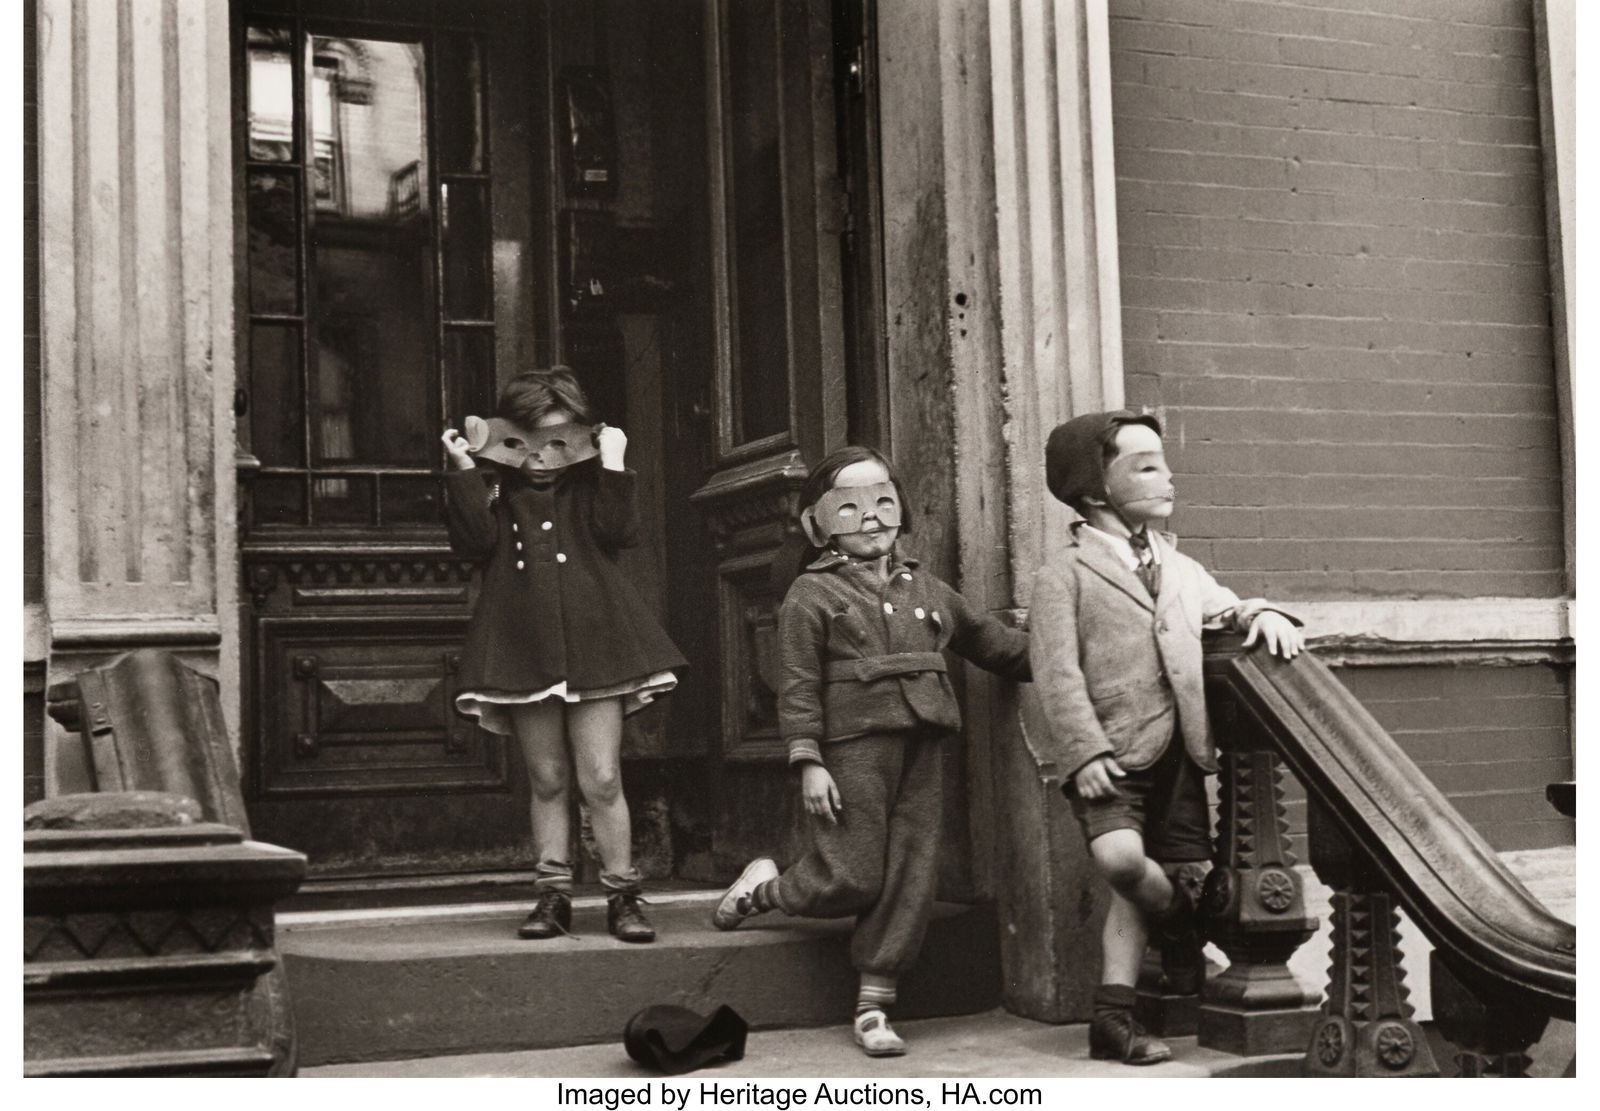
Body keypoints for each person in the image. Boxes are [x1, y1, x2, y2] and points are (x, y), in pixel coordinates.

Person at [711, 446, 1031, 1057]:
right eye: (850, 507)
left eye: (883, 501)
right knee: (854, 874)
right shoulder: (811, 594)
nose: (871, 518)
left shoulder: (928, 589)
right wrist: (809, 760)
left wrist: (1068, 654)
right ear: (819, 523)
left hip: (923, 743)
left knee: (910, 871)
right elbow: (797, 685)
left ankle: (874, 1005)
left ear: (900, 508)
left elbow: (993, 644)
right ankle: (767, 890)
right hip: (852, 749)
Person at [1026, 410, 1304, 1064]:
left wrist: (1260, 610)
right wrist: (1084, 751)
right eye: (1147, 466)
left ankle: (1112, 1018)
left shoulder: (1178, 566)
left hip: (1178, 750)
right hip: (1109, 754)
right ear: (1097, 489)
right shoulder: (1063, 574)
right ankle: (1180, 928)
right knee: (1123, 862)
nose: (1168, 476)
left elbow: (1222, 606)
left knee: (1144, 885)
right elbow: (1055, 672)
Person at [441, 367, 687, 943]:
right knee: (548, 777)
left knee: (601, 776)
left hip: (597, 645)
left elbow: (619, 532)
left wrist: (614, 463)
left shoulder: (590, 485)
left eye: (556, 440)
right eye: (526, 440)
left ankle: (622, 894)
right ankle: (553, 895)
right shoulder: (496, 489)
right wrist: (463, 470)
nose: (540, 458)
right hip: (523, 646)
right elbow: (474, 543)